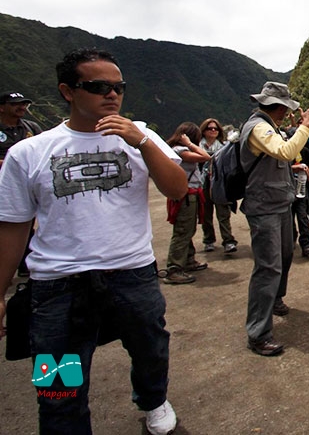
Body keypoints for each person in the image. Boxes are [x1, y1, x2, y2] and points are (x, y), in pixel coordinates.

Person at [0, 48, 188, 435]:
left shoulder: (140, 137)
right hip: (58, 285)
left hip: (132, 274)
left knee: (150, 348)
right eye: (98, 86)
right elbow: (14, 228)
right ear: (68, 91)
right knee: (58, 388)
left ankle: (153, 400)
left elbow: (176, 188)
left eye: (118, 86)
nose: (112, 94)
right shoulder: (29, 153)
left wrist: (143, 142)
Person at [240, 82, 309, 356]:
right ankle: (258, 332)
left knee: (285, 255)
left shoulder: (271, 127)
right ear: (280, 107)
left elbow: (286, 155)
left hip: (280, 203)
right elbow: (285, 151)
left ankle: (275, 299)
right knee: (267, 267)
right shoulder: (258, 127)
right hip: (264, 208)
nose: (290, 114)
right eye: (288, 109)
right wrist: (306, 125)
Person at [0, 91, 43, 278]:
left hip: (26, 184)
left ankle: (25, 263)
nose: (21, 107)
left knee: (25, 222)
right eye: (15, 104)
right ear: (2, 107)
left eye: (24, 104)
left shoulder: (31, 127)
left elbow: (45, 148)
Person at [163, 122, 211, 284]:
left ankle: (188, 260)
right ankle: (174, 268)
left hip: (191, 194)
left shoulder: (179, 150)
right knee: (183, 230)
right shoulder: (180, 151)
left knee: (188, 228)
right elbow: (206, 157)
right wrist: (189, 144)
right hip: (186, 196)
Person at [198, 118, 238, 254]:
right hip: (203, 182)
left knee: (223, 213)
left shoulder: (223, 145)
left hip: (219, 181)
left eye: (215, 128)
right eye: (210, 128)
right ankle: (208, 239)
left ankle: (228, 240)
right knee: (206, 213)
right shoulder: (197, 145)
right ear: (204, 131)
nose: (213, 131)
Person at [285, 113, 309, 259]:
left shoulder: (304, 150)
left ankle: (306, 244)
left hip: (301, 186)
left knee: (302, 214)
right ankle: (290, 239)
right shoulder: (283, 152)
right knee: (289, 215)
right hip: (286, 187)